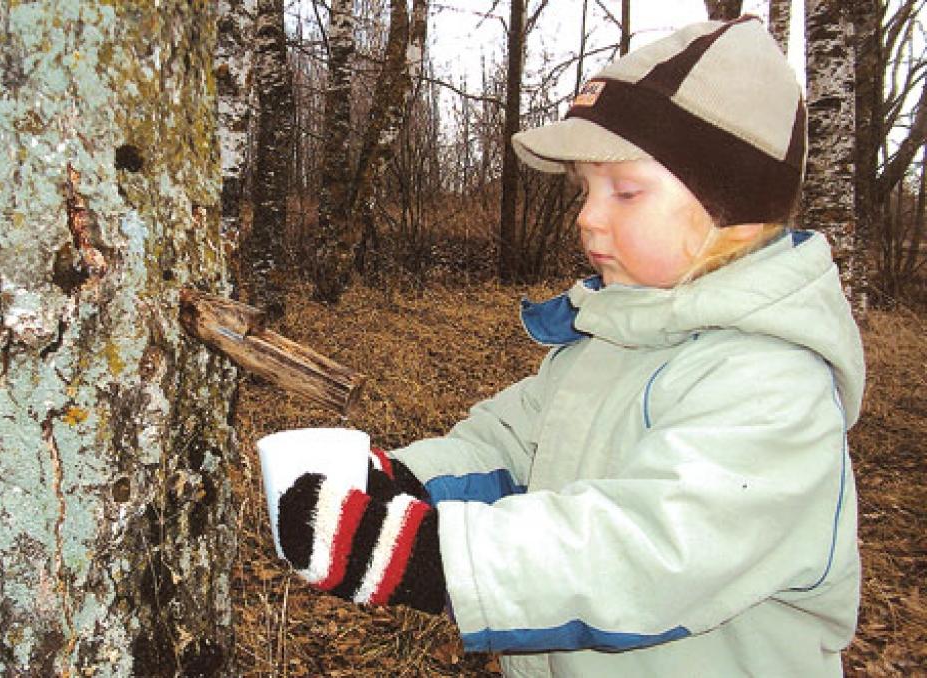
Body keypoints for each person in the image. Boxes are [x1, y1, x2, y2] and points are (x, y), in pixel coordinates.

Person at [275, 15, 865, 677]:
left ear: (732, 208)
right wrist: (395, 483)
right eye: (585, 189)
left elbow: (646, 554)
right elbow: (505, 450)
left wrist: (418, 554)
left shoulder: (773, 384)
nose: (586, 214)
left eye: (626, 190)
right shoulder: (608, 339)